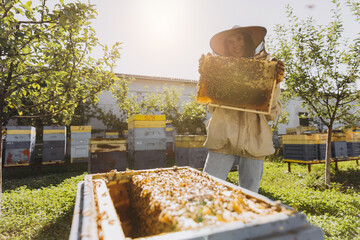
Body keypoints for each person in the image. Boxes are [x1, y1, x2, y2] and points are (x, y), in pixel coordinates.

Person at [202, 25, 284, 193]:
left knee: (249, 194)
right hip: (222, 136)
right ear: (226, 47)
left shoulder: (265, 68)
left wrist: (275, 83)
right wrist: (206, 75)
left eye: (239, 39)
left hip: (254, 139)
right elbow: (213, 107)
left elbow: (270, 113)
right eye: (230, 41)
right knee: (208, 192)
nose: (235, 44)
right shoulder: (220, 69)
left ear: (248, 42)